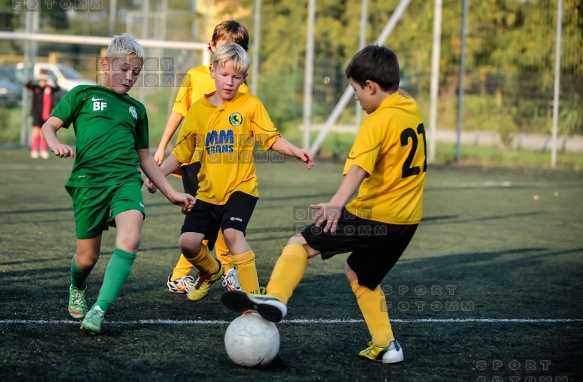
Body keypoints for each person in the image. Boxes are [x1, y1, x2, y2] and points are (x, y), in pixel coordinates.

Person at [221, 45, 427, 364]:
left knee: (299, 243)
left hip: (374, 216)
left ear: (371, 86)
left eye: (357, 91)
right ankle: (387, 345)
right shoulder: (409, 106)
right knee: (360, 273)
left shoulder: (376, 122)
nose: (356, 98)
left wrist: (336, 204)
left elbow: (359, 169)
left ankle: (275, 296)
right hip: (407, 222)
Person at [41, 33, 195, 335]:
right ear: (105, 64)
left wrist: (171, 193)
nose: (129, 77)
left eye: (135, 72)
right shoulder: (83, 94)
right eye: (123, 69)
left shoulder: (137, 110)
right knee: (86, 259)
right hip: (88, 184)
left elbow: (145, 158)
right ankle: (78, 285)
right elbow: (49, 125)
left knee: (131, 237)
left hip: (126, 181)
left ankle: (99, 309)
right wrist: (53, 143)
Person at [146, 43, 314, 303]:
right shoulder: (198, 111)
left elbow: (270, 138)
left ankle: (254, 299)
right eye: (225, 75)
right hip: (207, 192)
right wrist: (158, 175)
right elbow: (182, 153)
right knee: (188, 243)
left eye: (236, 77)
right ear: (212, 71)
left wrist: (295, 150)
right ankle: (211, 271)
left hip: (241, 188)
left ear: (243, 79)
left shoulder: (250, 105)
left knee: (233, 235)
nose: (229, 82)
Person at [154, 20, 250, 295]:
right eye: (224, 44)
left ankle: (224, 272)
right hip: (194, 159)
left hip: (224, 163)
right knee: (208, 219)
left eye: (238, 46)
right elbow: (178, 111)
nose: (231, 50)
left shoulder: (242, 87)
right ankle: (198, 273)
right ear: (212, 46)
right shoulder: (195, 76)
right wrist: (162, 147)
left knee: (223, 221)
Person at [26, 72, 60, 159]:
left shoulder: (49, 89)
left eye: (44, 80)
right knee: (36, 132)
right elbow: (27, 85)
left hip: (46, 114)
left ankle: (43, 150)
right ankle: (34, 150)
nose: (42, 82)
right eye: (41, 80)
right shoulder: (35, 88)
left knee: (43, 133)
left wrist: (53, 80)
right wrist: (33, 78)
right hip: (36, 114)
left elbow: (58, 88)